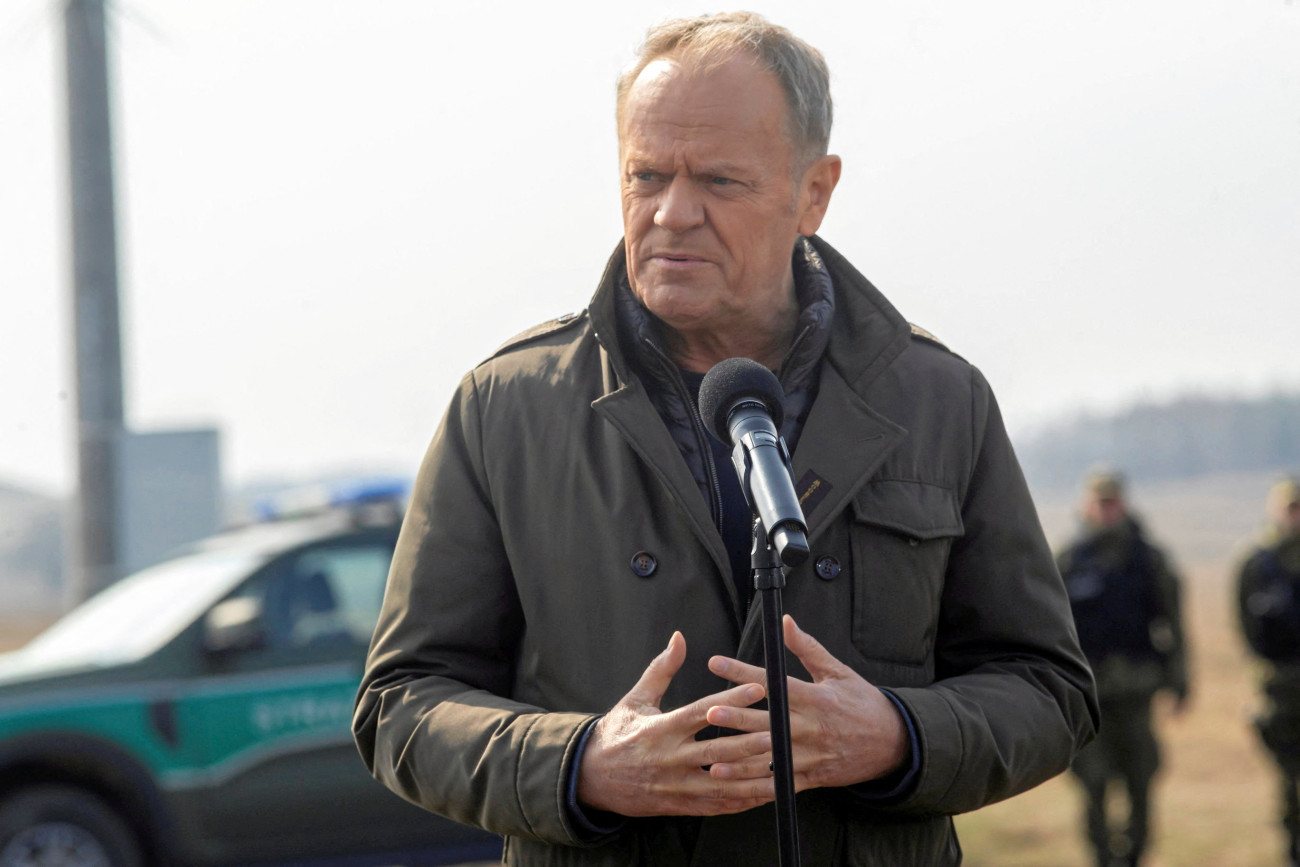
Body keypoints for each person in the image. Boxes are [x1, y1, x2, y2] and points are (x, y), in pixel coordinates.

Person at [353, 12, 1097, 866]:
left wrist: (898, 734)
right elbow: (400, 705)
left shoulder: (938, 401)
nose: (673, 213)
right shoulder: (507, 407)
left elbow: (1050, 690)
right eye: (646, 176)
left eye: (718, 180)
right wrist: (580, 764)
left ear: (813, 192)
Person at [1056, 469, 1189, 867]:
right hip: (1088, 696)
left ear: (1124, 504)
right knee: (1093, 782)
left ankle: (1133, 857)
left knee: (1140, 779)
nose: (1106, 509)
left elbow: (1173, 623)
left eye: (1112, 502)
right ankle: (1101, 857)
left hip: (1136, 689)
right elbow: (1051, 630)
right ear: (1086, 506)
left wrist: (1179, 679)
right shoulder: (1068, 559)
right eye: (1100, 502)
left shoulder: (1149, 558)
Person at [1237, 477, 1300, 867]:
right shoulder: (1258, 563)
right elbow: (1246, 626)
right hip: (1280, 689)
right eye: (1291, 508)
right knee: (1287, 779)